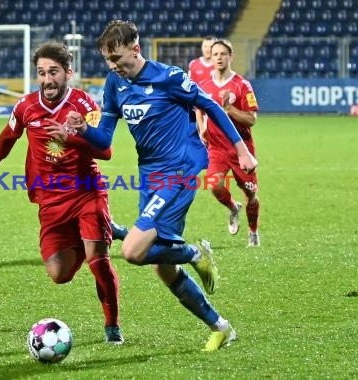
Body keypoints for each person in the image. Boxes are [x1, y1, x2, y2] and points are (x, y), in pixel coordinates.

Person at [61, 20, 258, 352]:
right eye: (108, 61)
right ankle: (221, 327)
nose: (113, 67)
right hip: (150, 177)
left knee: (133, 251)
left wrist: (242, 150)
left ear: (135, 49)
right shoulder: (114, 83)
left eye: (118, 59)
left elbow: (209, 106)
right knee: (163, 269)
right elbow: (105, 141)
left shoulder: (169, 77)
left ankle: (194, 252)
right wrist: (82, 131)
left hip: (180, 170)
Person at [0, 41, 124, 344]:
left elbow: (105, 150)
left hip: (87, 191)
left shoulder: (85, 106)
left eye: (54, 72)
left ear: (68, 73)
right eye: (42, 73)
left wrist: (72, 137)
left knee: (98, 260)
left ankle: (112, 327)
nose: (47, 79)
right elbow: (8, 137)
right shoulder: (25, 106)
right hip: (50, 199)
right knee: (59, 274)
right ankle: (103, 230)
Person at [196, 39, 261, 247]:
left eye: (223, 54)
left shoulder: (242, 85)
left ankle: (253, 232)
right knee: (214, 185)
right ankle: (233, 207)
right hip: (216, 148)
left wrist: (229, 109)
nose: (219, 58)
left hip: (241, 149)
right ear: (210, 58)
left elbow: (251, 119)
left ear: (230, 57)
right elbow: (198, 109)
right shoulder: (204, 86)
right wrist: (201, 128)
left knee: (251, 194)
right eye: (215, 54)